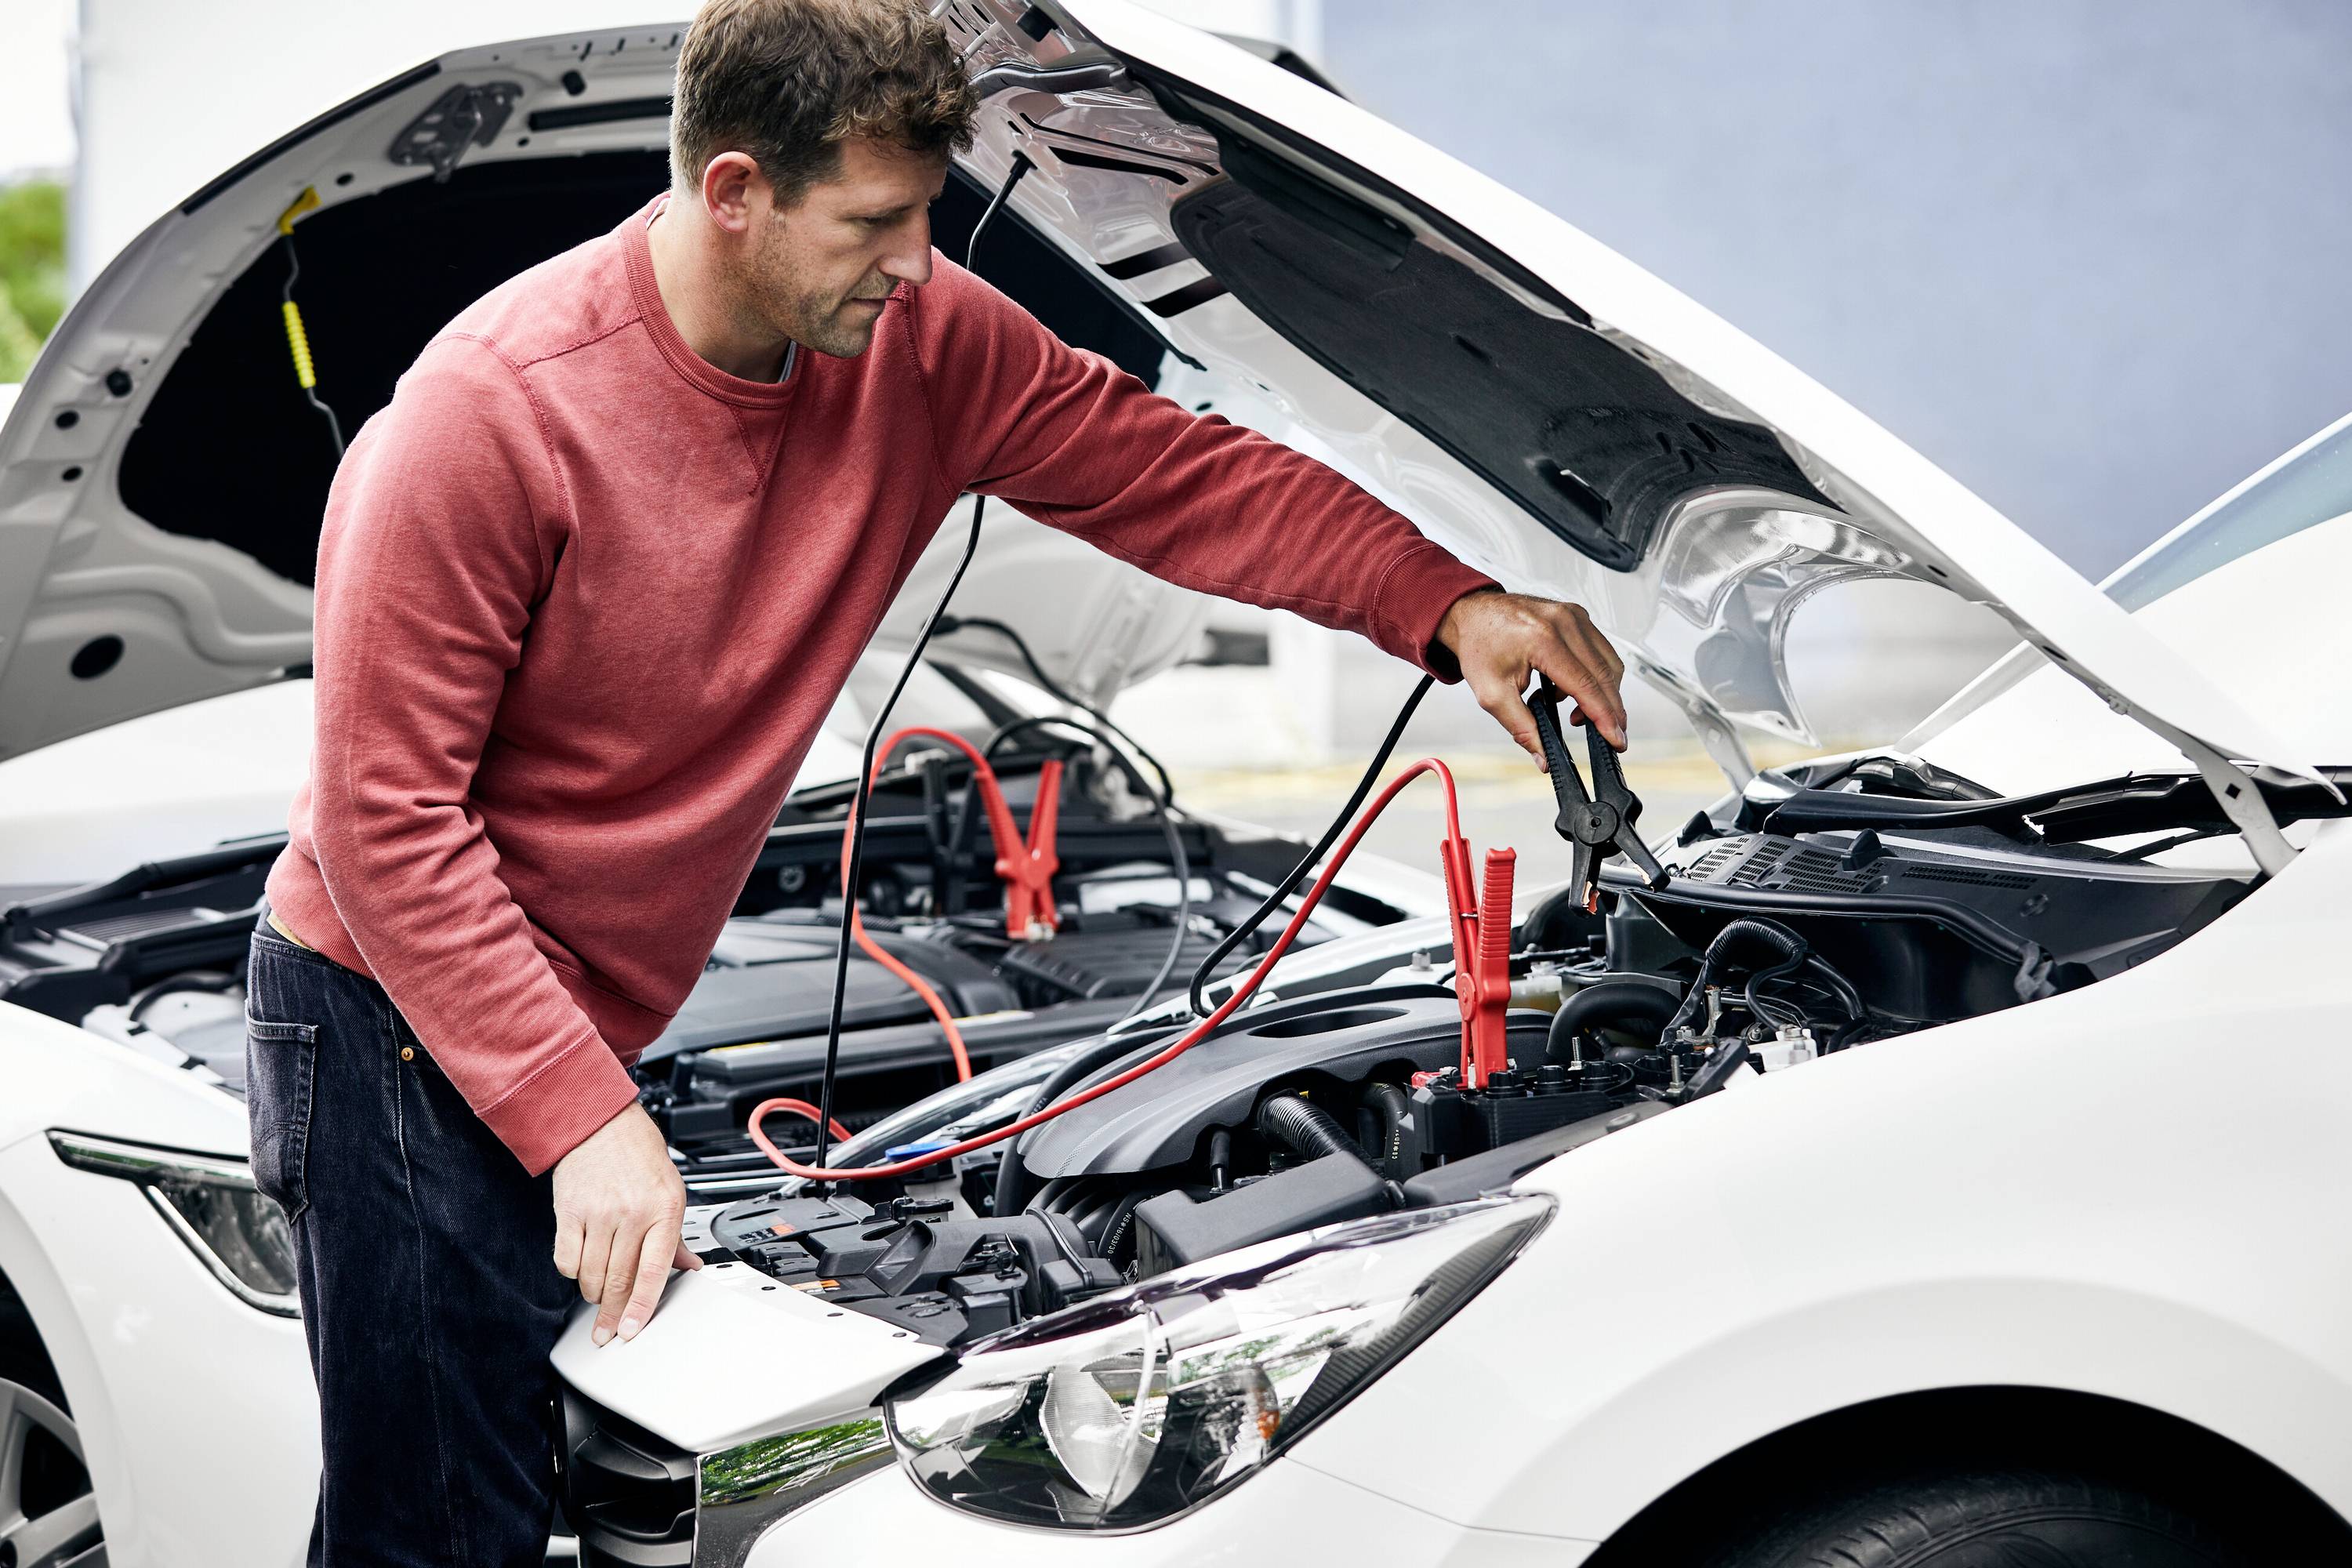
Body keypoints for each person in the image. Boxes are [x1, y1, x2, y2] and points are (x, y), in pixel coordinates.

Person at [242, 0, 1628, 1560]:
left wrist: (1443, 603)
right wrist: (580, 1120)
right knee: (438, 1523)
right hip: (391, 1018)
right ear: (736, 192)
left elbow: (1176, 473)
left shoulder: (924, 340)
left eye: (925, 215)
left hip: (580, 1010)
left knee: (565, 1498)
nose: (916, 262)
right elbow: (385, 823)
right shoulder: (488, 418)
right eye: (876, 221)